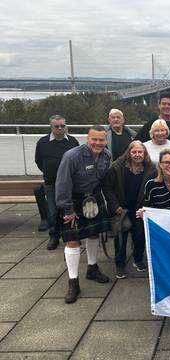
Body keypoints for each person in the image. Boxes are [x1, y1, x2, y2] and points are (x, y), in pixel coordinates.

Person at [55, 126, 111, 304]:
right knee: (72, 240)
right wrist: (68, 210)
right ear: (88, 139)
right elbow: (62, 184)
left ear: (105, 141)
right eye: (94, 139)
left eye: (101, 140)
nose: (98, 143)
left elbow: (102, 180)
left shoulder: (107, 156)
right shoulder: (72, 156)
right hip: (73, 200)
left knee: (94, 233)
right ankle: (73, 282)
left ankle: (92, 268)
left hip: (93, 197)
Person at [103, 141, 156, 279]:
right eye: (134, 152)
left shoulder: (151, 168)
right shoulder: (116, 167)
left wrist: (147, 207)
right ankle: (120, 264)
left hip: (140, 208)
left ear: (145, 154)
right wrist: (115, 207)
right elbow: (108, 188)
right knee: (121, 237)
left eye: (140, 152)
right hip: (122, 209)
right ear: (129, 152)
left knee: (140, 235)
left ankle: (138, 259)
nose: (137, 155)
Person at [35, 115, 79, 250]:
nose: (60, 129)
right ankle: (54, 236)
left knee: (70, 211)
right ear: (51, 127)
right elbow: (39, 162)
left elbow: (77, 161)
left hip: (70, 185)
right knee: (53, 212)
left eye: (62, 126)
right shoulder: (42, 142)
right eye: (57, 126)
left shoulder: (72, 141)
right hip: (51, 184)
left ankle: (71, 236)